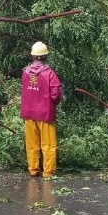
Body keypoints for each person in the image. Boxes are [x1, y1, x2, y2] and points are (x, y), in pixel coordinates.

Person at [21, 41, 63, 178]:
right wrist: (54, 102)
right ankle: (48, 172)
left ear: (32, 56)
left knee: (31, 144)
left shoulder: (26, 72)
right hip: (45, 113)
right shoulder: (49, 73)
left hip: (28, 113)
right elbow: (56, 94)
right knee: (48, 144)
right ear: (45, 56)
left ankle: (33, 170)